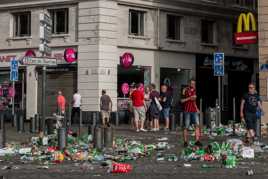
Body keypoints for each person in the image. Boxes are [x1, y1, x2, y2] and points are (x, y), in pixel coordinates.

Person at [181, 79, 202, 147]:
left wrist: (197, 108)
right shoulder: (184, 90)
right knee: (186, 126)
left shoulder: (194, 90)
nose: (193, 85)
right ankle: (185, 142)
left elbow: (194, 100)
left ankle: (197, 141)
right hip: (187, 110)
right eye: (192, 84)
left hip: (194, 111)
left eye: (194, 84)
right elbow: (182, 100)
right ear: (189, 83)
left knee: (197, 125)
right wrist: (189, 98)